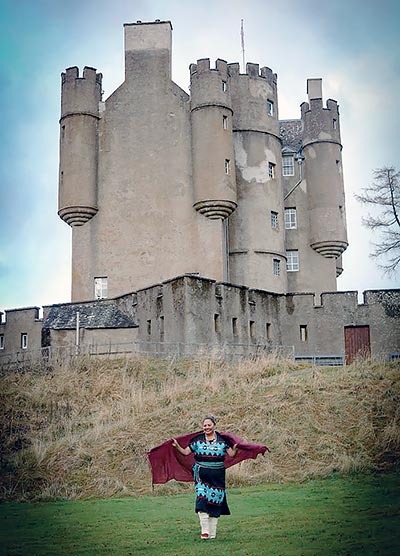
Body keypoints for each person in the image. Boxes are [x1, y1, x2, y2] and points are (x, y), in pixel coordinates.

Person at [172, 415, 238, 540]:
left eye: (209, 425)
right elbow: (186, 452)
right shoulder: (198, 440)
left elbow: (232, 455)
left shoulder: (223, 441)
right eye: (205, 425)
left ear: (214, 425)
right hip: (201, 476)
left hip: (218, 477)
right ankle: (205, 532)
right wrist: (177, 447)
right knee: (201, 500)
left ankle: (212, 535)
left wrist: (236, 448)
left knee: (215, 503)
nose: (206, 427)